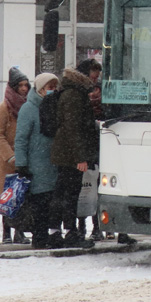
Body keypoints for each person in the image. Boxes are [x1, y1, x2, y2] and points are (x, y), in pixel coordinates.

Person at [49, 64, 99, 249]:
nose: (95, 80)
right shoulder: (74, 95)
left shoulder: (72, 92)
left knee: (66, 192)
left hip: (67, 152)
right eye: (94, 76)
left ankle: (61, 231)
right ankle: (64, 232)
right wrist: (80, 157)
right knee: (68, 193)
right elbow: (73, 128)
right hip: (69, 154)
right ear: (85, 76)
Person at [14, 73, 62, 249]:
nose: (53, 90)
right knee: (40, 202)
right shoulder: (29, 108)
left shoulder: (55, 106)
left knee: (52, 202)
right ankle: (39, 238)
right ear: (40, 88)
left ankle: (51, 235)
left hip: (53, 163)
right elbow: (21, 138)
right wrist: (21, 164)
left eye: (55, 87)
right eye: (50, 87)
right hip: (36, 164)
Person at [0, 67, 30, 244]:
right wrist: (10, 155)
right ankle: (6, 232)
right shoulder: (5, 107)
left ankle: (19, 232)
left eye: (26, 85)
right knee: (7, 197)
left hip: (24, 159)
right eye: (20, 85)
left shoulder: (27, 106)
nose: (24, 89)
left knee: (21, 196)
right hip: (7, 162)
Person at [75, 58, 105, 241]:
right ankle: (81, 226)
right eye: (92, 79)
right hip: (86, 149)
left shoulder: (103, 99)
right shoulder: (80, 97)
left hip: (99, 148)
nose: (95, 84)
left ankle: (97, 226)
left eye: (97, 80)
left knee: (98, 189)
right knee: (84, 189)